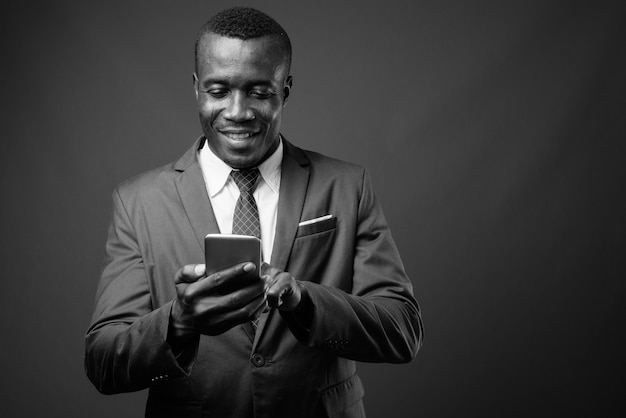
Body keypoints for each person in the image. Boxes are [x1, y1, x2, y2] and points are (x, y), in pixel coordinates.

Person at [85, 6, 423, 418]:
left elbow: (402, 332)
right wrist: (179, 322)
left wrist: (304, 301)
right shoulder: (137, 200)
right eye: (218, 91)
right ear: (196, 88)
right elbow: (104, 363)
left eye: (259, 92)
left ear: (286, 88)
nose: (238, 112)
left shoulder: (348, 185)